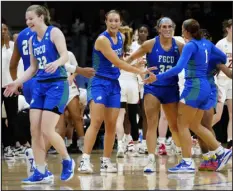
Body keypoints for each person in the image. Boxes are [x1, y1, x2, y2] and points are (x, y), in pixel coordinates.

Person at [78, 10, 155, 174]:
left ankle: (106, 161)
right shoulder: (102, 40)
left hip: (114, 84)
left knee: (111, 124)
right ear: (106, 21)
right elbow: (118, 63)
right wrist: (138, 71)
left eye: (116, 21)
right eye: (111, 20)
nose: (114, 23)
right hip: (98, 82)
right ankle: (84, 160)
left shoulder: (120, 37)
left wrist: (136, 64)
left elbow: (120, 62)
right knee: (96, 121)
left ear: (120, 22)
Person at [4, 5, 75, 183]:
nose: (28, 22)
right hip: (40, 86)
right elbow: (33, 68)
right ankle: (41, 171)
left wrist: (57, 63)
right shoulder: (31, 40)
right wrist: (17, 82)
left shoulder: (54, 33)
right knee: (34, 130)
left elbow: (65, 55)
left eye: (31, 18)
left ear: (41, 17)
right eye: (26, 19)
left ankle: (67, 160)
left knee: (46, 129)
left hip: (57, 85)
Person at [150, 19, 232, 173]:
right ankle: (221, 152)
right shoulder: (207, 43)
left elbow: (178, 68)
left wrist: (157, 77)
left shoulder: (190, 45)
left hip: (193, 87)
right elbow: (223, 57)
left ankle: (187, 162)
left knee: (182, 124)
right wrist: (213, 66)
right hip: (206, 87)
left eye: (182, 28)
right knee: (195, 125)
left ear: (186, 31)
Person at [125, 17, 183, 172]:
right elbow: (129, 59)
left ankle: (181, 155)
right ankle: (151, 159)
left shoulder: (179, 46)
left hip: (171, 88)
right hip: (153, 88)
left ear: (174, 28)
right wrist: (137, 68)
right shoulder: (149, 44)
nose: (167, 29)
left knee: (175, 126)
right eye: (163, 26)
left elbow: (194, 62)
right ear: (158, 29)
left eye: (169, 26)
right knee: (152, 124)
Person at [116, 25, 149, 158]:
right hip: (133, 84)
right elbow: (140, 71)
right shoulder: (135, 51)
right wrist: (146, 81)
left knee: (120, 118)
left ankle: (120, 145)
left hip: (119, 83)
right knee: (133, 117)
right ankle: (135, 146)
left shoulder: (114, 50)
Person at [212, 19, 232, 149]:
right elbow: (214, 64)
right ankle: (198, 133)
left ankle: (230, 141)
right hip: (221, 81)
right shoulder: (220, 44)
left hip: (232, 81)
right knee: (218, 115)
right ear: (228, 28)